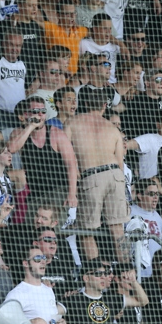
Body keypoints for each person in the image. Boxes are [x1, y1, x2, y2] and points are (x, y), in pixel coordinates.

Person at [63, 89, 128, 262]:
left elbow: (67, 155)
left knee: (86, 230)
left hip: (91, 176)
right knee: (118, 229)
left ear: (84, 104)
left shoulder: (72, 122)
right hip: (115, 175)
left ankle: (96, 271)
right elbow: (120, 162)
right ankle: (128, 268)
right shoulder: (113, 128)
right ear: (104, 106)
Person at [8, 96, 78, 206]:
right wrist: (30, 126)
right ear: (26, 114)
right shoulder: (19, 133)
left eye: (43, 111)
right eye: (36, 111)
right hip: (36, 194)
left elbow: (71, 164)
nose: (40, 114)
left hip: (59, 191)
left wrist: (72, 194)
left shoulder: (56, 134)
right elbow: (11, 148)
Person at [64, 258, 148, 324]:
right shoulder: (74, 300)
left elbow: (144, 302)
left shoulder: (112, 300)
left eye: (104, 274)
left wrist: (133, 281)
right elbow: (54, 319)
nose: (103, 277)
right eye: (98, 274)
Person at [4, 247, 67, 324]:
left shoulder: (48, 289)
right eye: (37, 258)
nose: (43, 261)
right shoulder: (16, 294)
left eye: (44, 258)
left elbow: (52, 321)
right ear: (26, 263)